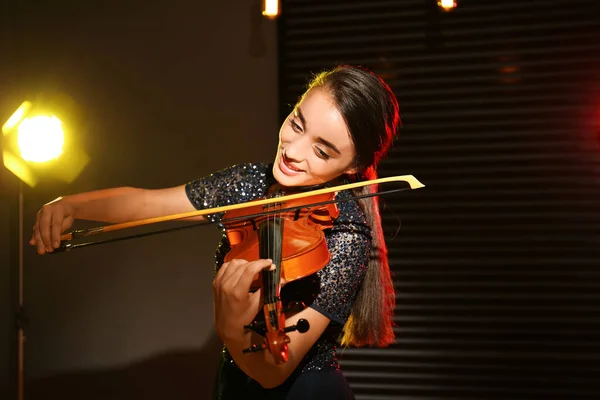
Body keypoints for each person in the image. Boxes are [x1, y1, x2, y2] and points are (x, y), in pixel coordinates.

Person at [30, 65, 401, 399]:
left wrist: (232, 326)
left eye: (322, 151)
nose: (293, 151)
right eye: (297, 124)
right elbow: (148, 205)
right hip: (234, 384)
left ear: (354, 166)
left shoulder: (347, 231)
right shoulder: (253, 182)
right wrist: (72, 205)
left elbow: (274, 372)